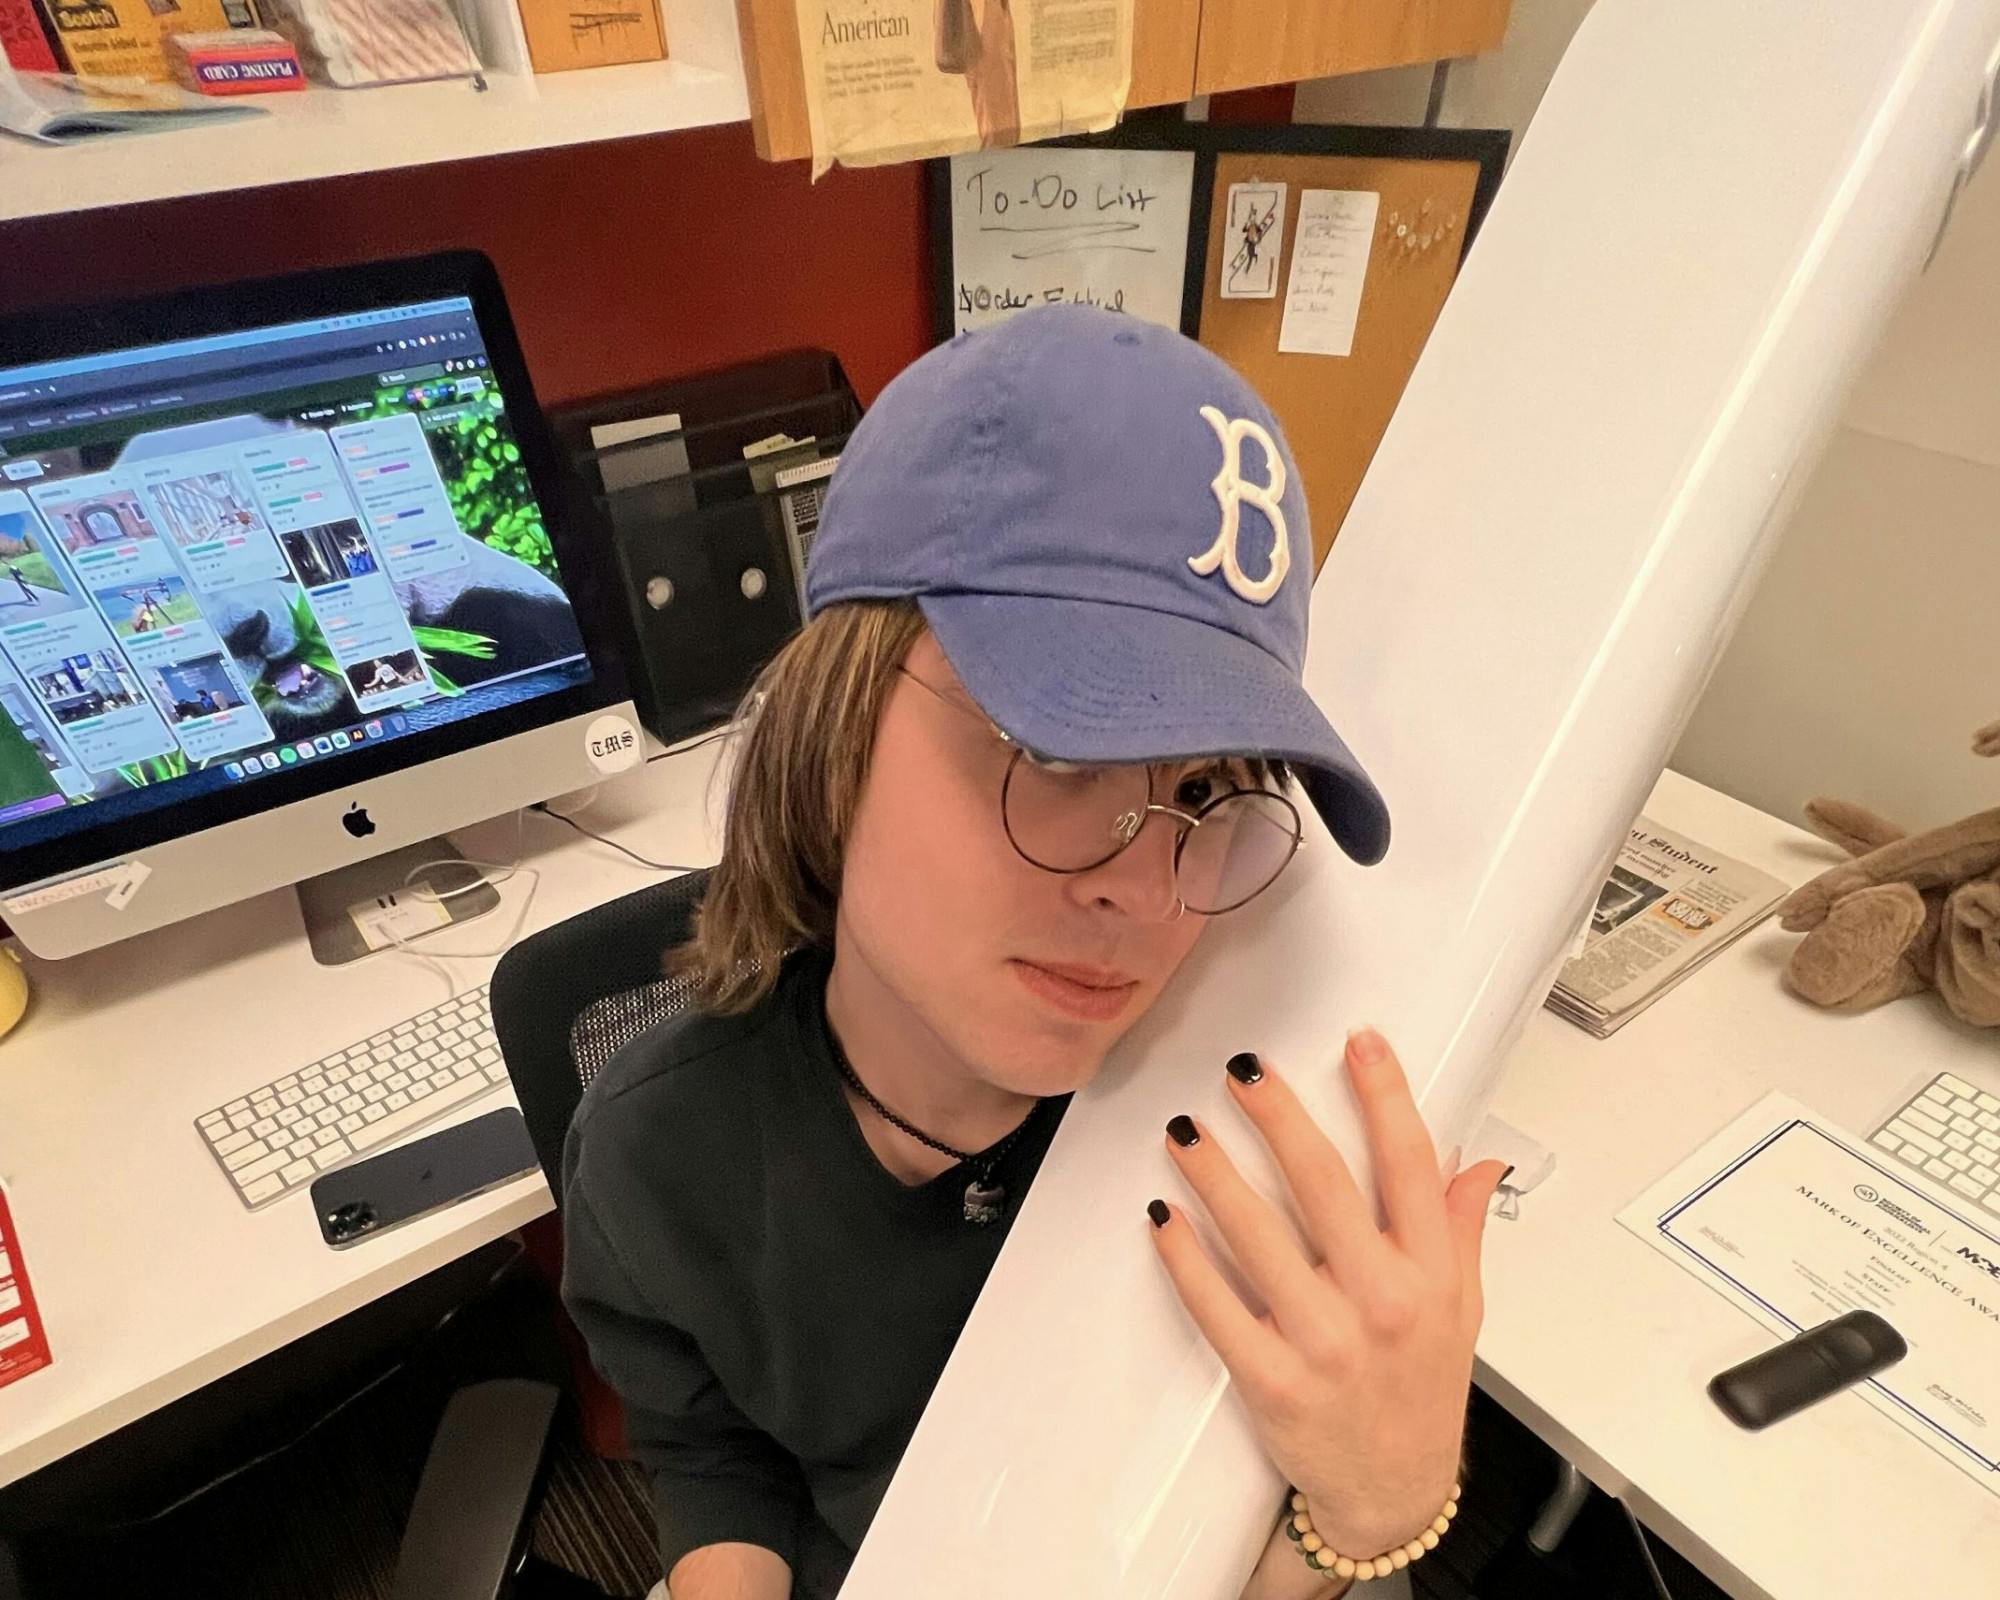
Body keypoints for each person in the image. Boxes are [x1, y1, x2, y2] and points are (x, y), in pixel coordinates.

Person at [562, 306, 1507, 1600]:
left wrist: (1367, 1509)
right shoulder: (656, 1155)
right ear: (827, 727)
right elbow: (713, 1442)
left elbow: (1231, 1520)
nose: (1146, 889)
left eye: (1212, 789)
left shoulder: (1238, 1145)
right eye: (1056, 753)